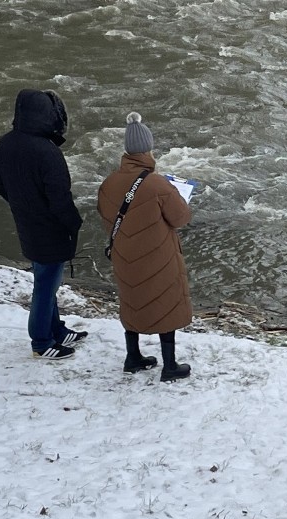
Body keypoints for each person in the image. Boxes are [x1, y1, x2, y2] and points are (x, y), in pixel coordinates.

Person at [97, 112, 193, 382]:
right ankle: (170, 365)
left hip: (124, 255)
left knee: (132, 302)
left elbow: (107, 219)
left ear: (127, 150)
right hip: (159, 256)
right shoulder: (157, 184)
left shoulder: (108, 183)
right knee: (164, 303)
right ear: (149, 148)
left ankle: (133, 357)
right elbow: (181, 218)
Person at [0, 89, 87, 360]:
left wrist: (24, 204)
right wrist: (73, 223)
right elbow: (60, 198)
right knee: (45, 286)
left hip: (25, 222)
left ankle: (56, 329)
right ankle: (41, 342)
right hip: (50, 228)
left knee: (47, 280)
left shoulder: (4, 143)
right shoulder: (47, 151)